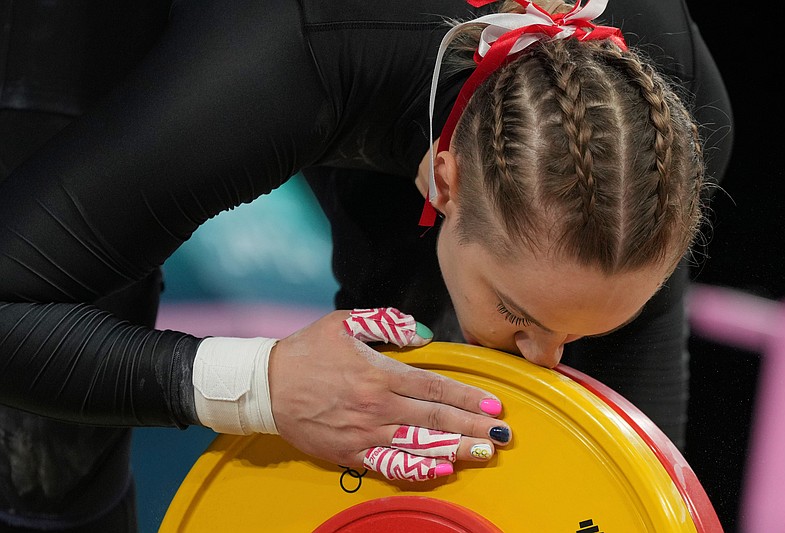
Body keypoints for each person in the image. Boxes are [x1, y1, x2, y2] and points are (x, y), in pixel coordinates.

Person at [0, 0, 732, 530]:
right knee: (46, 457)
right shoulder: (295, 59)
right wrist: (259, 384)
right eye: (521, 314)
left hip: (406, 78)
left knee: (442, 415)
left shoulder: (670, 138)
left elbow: (629, 485)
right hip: (244, 35)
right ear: (442, 179)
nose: (546, 358)